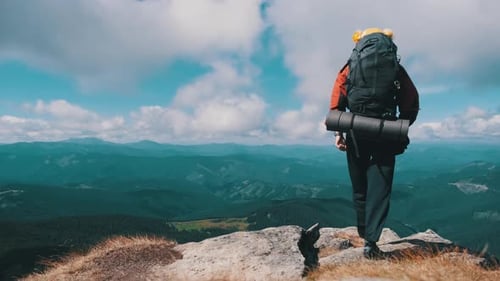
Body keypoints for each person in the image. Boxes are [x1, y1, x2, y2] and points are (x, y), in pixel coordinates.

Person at [329, 28, 419, 259]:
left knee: (360, 187)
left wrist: (340, 132)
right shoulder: (396, 69)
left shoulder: (350, 67)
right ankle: (371, 242)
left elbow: (336, 103)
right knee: (379, 189)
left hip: (356, 131)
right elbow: (411, 102)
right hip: (386, 133)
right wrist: (400, 127)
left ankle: (362, 232)